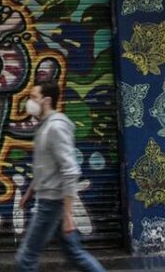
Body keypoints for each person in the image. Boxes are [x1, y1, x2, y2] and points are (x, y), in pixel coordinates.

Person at [15, 81, 106, 272]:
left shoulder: (55, 128)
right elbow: (46, 166)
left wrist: (68, 215)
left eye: (34, 97)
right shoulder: (44, 126)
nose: (29, 102)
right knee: (75, 253)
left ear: (47, 101)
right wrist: (30, 192)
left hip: (51, 203)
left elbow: (70, 170)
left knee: (26, 258)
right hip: (49, 199)